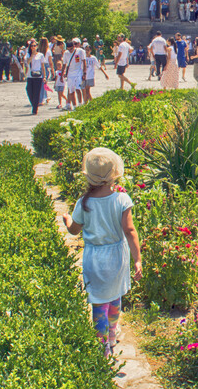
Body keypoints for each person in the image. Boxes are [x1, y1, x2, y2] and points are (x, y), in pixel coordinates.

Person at [62, 148, 141, 356]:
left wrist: (67, 220)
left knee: (98, 302)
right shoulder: (122, 200)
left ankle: (102, 345)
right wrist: (137, 260)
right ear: (115, 173)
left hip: (95, 259)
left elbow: (74, 230)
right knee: (115, 298)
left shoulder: (84, 203)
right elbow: (130, 230)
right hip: (117, 258)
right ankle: (112, 333)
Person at [63, 38, 87, 111]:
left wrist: (84, 73)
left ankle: (80, 104)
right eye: (69, 49)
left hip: (78, 72)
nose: (70, 50)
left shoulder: (80, 51)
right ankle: (74, 106)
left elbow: (84, 62)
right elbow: (64, 64)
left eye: (71, 49)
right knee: (71, 90)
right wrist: (63, 74)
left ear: (74, 46)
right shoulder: (66, 53)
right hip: (70, 74)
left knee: (78, 88)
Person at [26, 40, 45, 115]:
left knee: (37, 92)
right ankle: (33, 103)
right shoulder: (28, 54)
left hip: (38, 75)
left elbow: (43, 66)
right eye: (32, 46)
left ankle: (35, 109)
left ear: (37, 46)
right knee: (29, 90)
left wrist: (44, 76)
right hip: (30, 75)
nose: (33, 47)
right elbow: (27, 62)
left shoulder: (40, 55)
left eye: (34, 46)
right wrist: (32, 55)